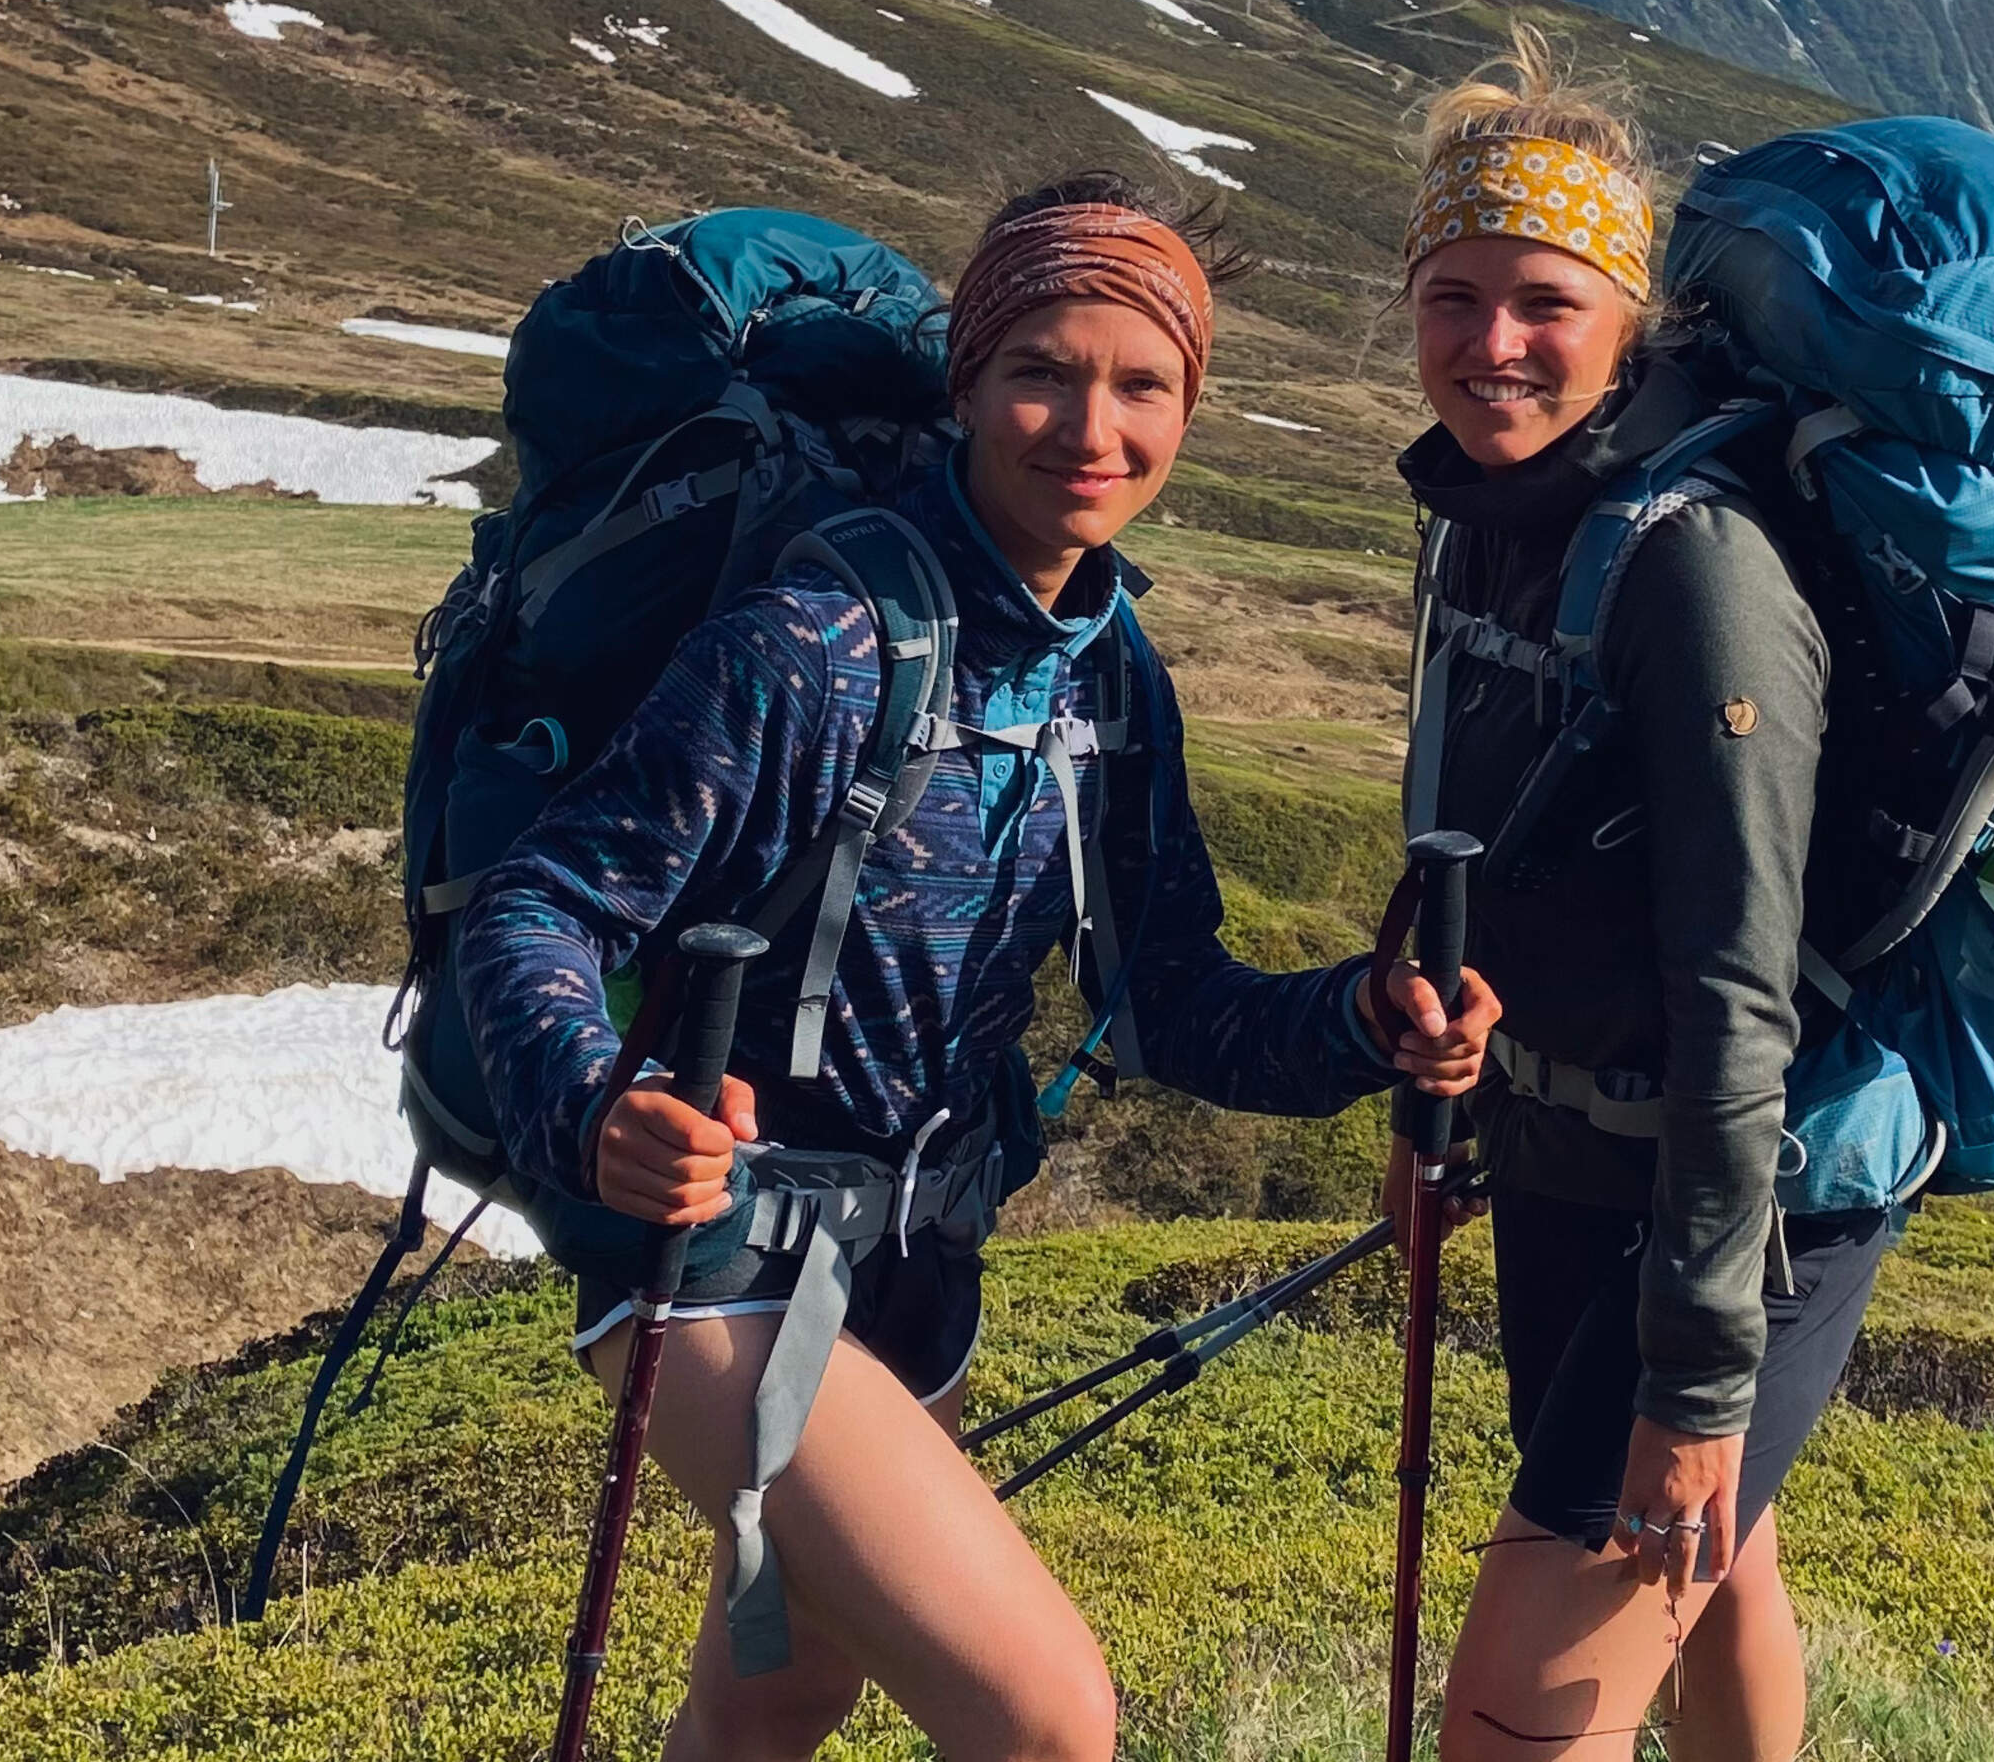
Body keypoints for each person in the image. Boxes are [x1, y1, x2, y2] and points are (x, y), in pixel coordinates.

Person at [458, 173, 1497, 1762]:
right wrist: (598, 1104)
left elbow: (1179, 1008)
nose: (1092, 427)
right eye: (1042, 372)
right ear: (966, 382)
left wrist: (1366, 1022)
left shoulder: (1113, 672)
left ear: (1189, 408)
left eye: (1143, 385)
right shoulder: (821, 633)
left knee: (785, 1688)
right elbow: (541, 904)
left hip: (917, 1268)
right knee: (1046, 1719)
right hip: (712, 1261)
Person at [1393, 33, 1892, 1761]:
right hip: (1562, 1142)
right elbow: (1477, 844)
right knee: (1719, 1568)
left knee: (1519, 1714)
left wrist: (1694, 1383)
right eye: (1453, 298)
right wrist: (1430, 1108)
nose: (1493, 345)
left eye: (1545, 299)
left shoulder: (1697, 572)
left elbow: (1737, 985)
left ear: (1629, 319)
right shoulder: (1480, 521)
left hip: (1756, 1181)